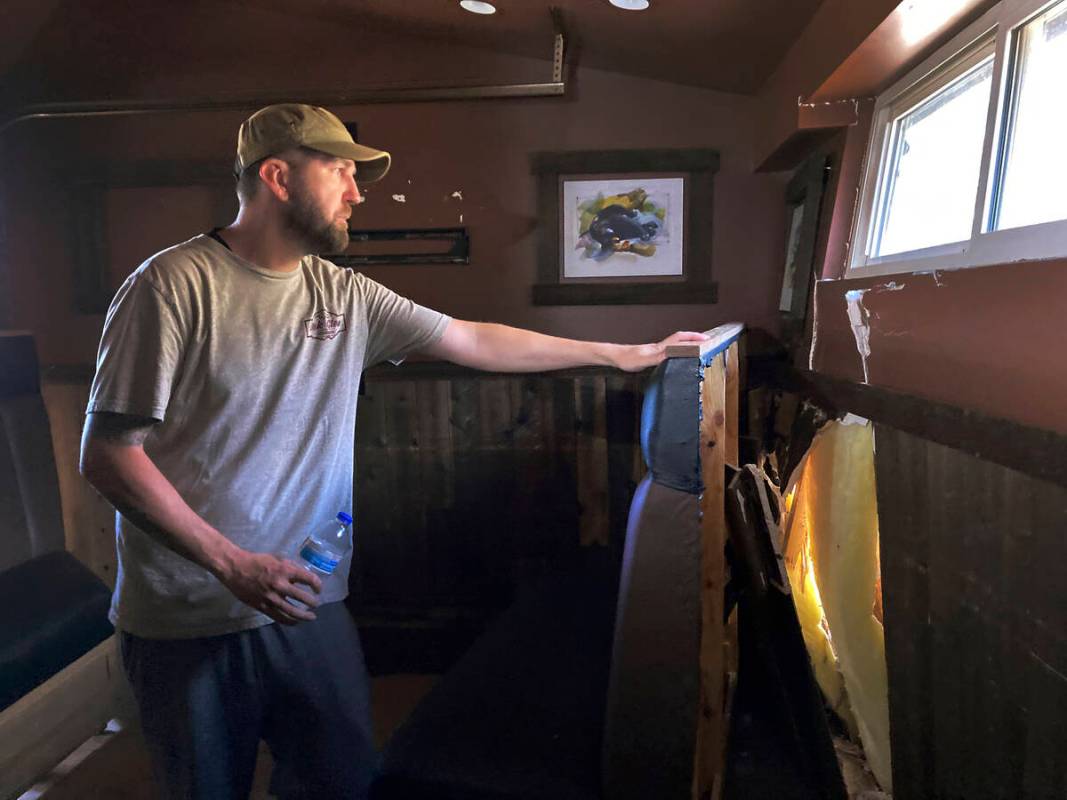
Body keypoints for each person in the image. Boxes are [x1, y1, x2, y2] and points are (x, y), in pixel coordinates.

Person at [80, 103, 708, 799]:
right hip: (187, 616)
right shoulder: (170, 287)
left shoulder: (343, 294)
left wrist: (624, 354)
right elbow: (109, 454)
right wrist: (231, 564)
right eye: (341, 172)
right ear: (278, 177)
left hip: (305, 603)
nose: (357, 193)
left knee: (343, 780)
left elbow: (472, 339)